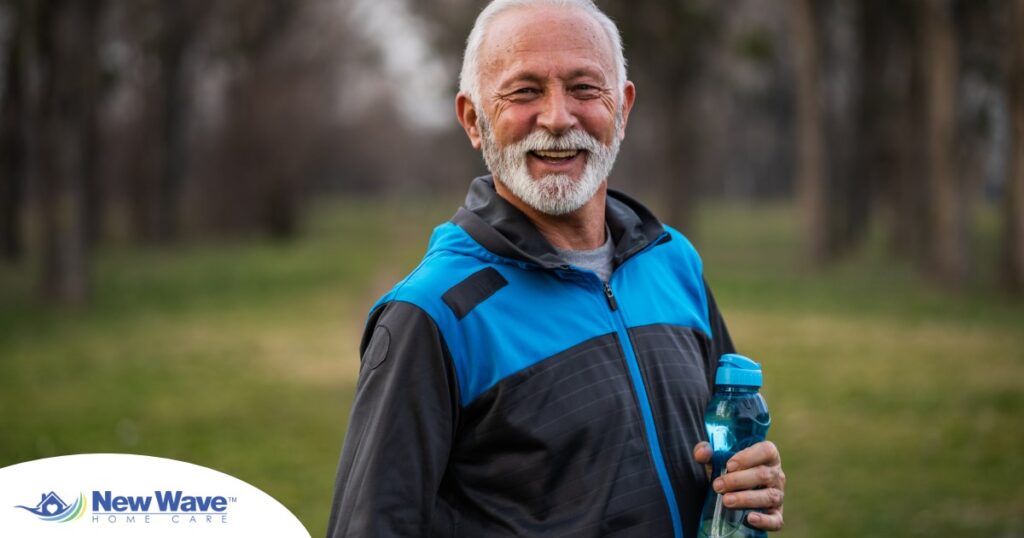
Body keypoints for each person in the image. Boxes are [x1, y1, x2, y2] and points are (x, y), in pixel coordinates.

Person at [326, 0, 785, 536]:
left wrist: (752, 484)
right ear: (474, 120)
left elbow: (728, 448)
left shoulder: (673, 262)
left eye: (585, 88)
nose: (558, 117)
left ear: (622, 109)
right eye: (525, 91)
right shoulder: (432, 315)